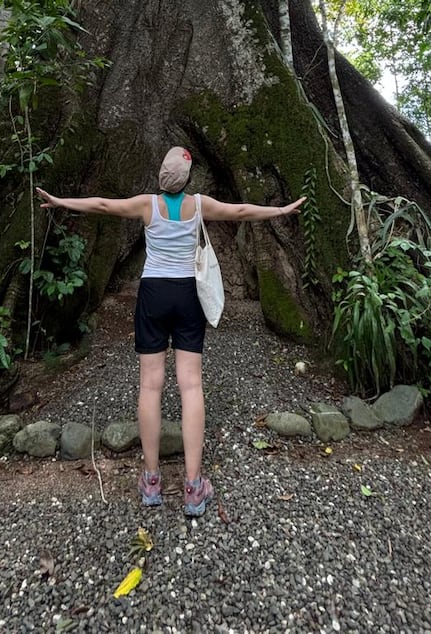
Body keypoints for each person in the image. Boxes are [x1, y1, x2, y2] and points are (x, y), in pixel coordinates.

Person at [36, 146, 305, 517]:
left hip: (153, 294)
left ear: (161, 176)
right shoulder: (199, 204)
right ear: (188, 178)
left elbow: (102, 205)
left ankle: (151, 480)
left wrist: (61, 201)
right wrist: (281, 210)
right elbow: (241, 211)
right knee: (191, 384)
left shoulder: (147, 205)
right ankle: (194, 487)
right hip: (187, 294)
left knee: (150, 384)